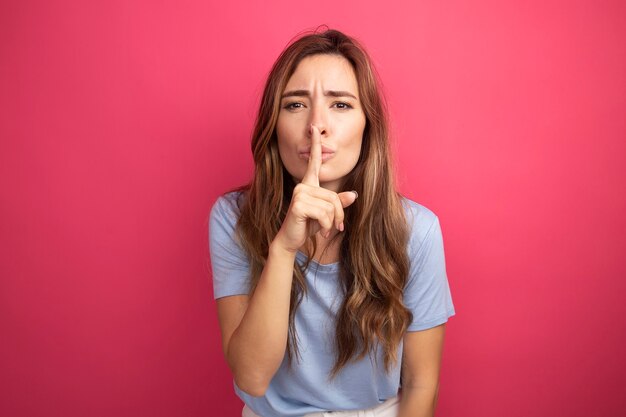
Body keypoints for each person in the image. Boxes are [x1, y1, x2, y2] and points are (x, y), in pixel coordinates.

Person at [209, 28, 455, 417]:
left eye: (340, 105)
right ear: (274, 126)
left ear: (367, 125)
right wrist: (284, 249)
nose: (316, 125)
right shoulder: (233, 217)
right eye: (295, 105)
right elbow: (251, 377)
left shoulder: (417, 231)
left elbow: (423, 383)